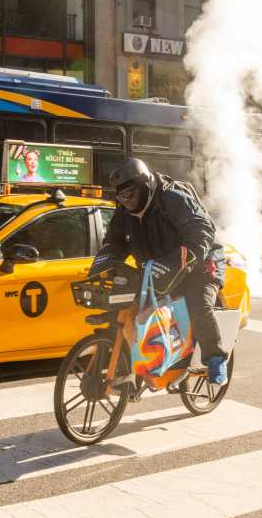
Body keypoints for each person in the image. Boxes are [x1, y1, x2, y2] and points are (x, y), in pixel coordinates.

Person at [91, 158, 229, 385]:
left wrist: (180, 260)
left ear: (145, 186)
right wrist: (108, 259)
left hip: (201, 267)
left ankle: (216, 359)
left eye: (130, 195)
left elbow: (201, 233)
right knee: (132, 312)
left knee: (199, 307)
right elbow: (115, 241)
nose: (126, 202)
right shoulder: (125, 211)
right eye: (121, 197)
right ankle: (138, 368)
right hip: (158, 270)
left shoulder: (173, 200)